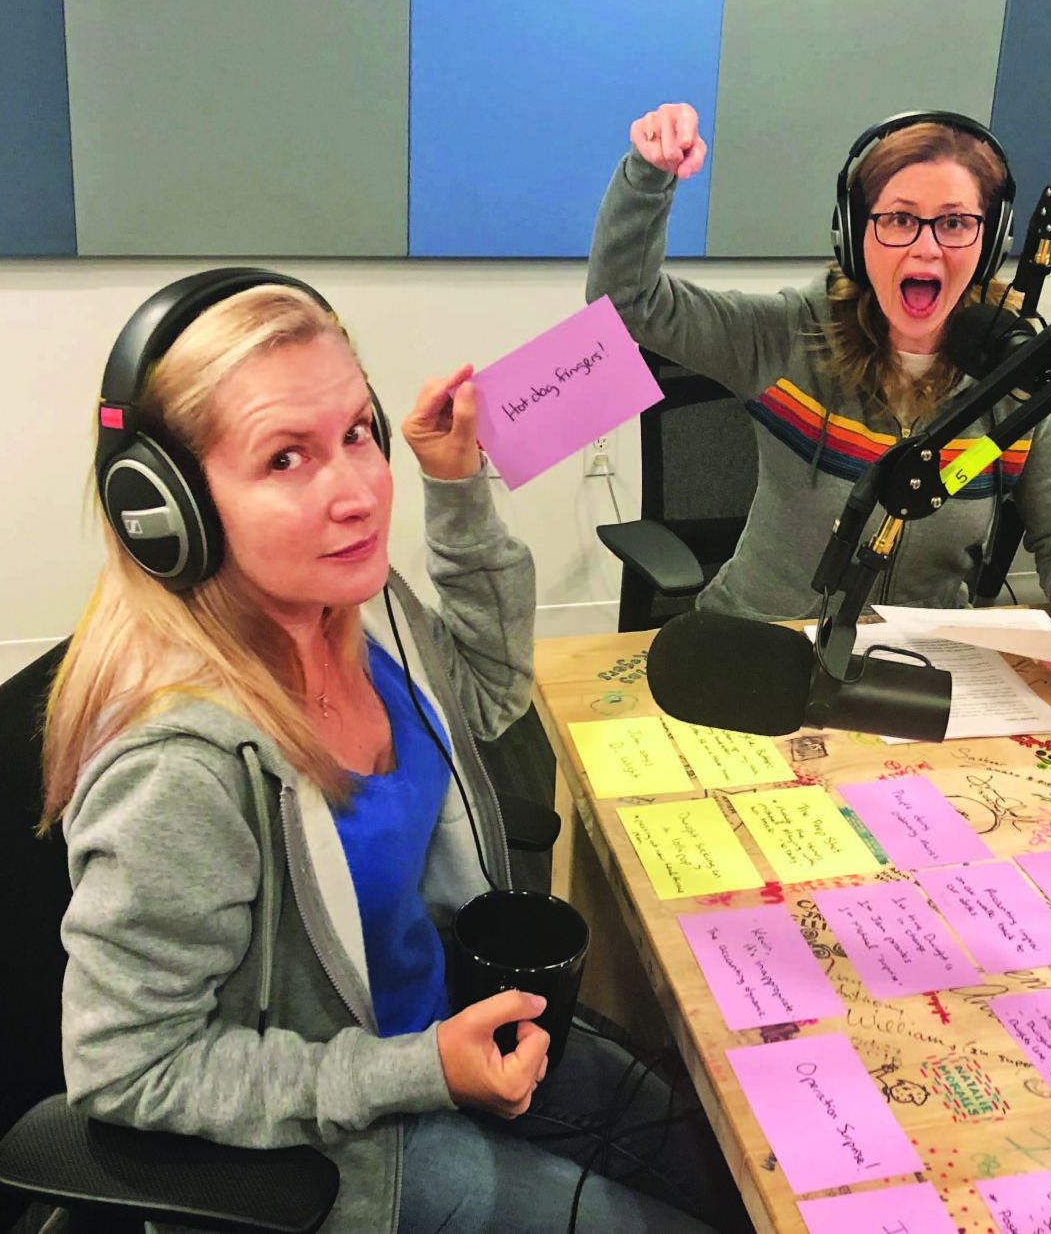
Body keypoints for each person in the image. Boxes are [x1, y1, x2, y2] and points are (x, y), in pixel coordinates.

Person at [43, 274, 745, 1234]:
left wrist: (457, 490)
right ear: (167, 508)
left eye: (356, 435)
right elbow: (128, 1067)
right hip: (336, 1137)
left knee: (728, 1161)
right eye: (285, 458)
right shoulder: (181, 769)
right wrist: (421, 1073)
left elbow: (491, 692)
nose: (357, 494)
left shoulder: (357, 612)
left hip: (442, 1013)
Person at [588, 104, 1051, 686]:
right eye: (897, 219)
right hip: (762, 649)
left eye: (954, 222)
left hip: (919, 668)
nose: (926, 249)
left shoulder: (1022, 372)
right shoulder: (787, 336)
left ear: (989, 239)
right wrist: (649, 175)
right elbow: (627, 305)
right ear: (855, 233)